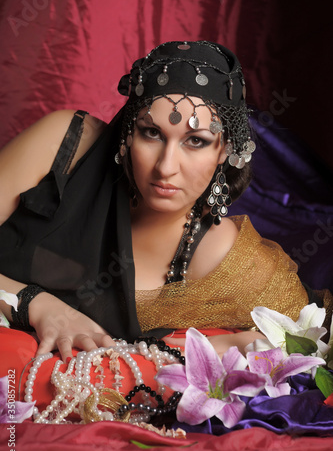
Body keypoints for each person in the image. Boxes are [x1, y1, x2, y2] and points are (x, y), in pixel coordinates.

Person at [0, 40, 331, 371]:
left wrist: (228, 345)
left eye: (196, 141)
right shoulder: (64, 147)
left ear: (224, 151)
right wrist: (37, 304)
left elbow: (312, 339)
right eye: (151, 134)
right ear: (128, 134)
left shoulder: (226, 258)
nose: (166, 167)